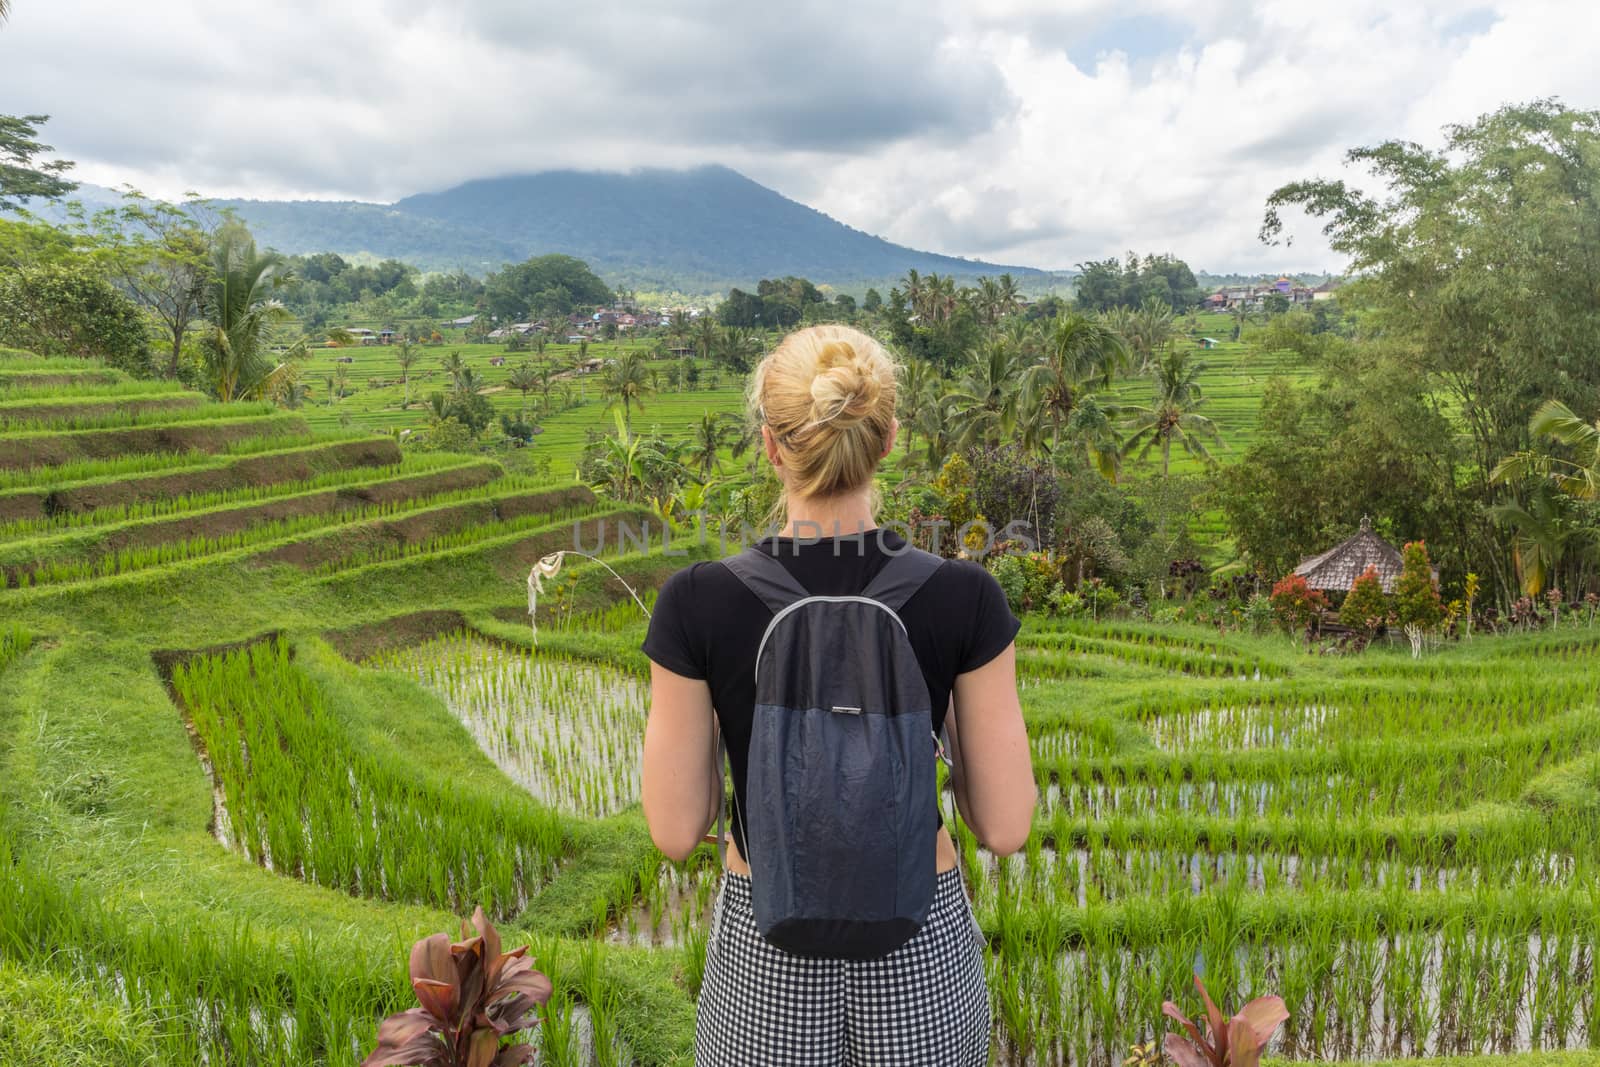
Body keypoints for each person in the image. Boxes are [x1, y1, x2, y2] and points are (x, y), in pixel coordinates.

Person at [640, 323, 1035, 1066]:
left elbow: (673, 828)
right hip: (919, 939)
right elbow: (1006, 825)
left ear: (771, 444)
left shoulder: (697, 601)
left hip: (766, 946)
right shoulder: (964, 596)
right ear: (887, 440)